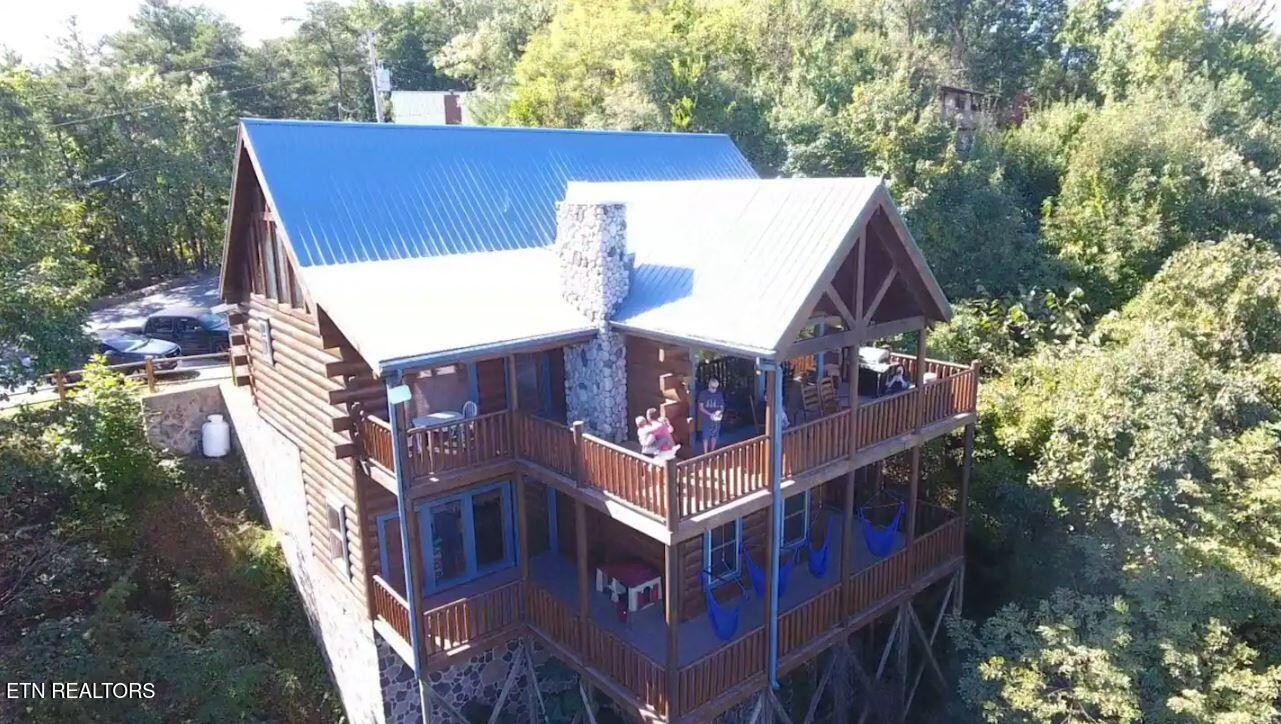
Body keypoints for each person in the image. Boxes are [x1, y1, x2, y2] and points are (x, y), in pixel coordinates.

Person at [697, 377, 726, 453]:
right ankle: (705, 453)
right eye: (713, 387)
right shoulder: (703, 394)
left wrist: (719, 413)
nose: (714, 389)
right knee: (705, 436)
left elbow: (722, 406)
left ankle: (712, 451)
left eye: (715, 387)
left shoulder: (719, 394)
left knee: (715, 436)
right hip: (706, 419)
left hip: (716, 419)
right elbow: (701, 407)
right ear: (709, 385)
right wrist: (710, 414)